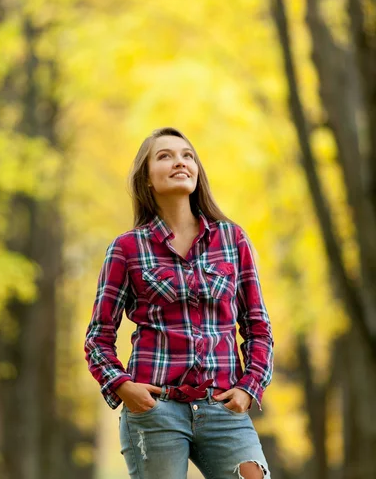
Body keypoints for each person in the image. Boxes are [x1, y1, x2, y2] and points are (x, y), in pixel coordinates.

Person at [84, 127, 274, 479]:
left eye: (187, 155)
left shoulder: (232, 239)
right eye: (165, 156)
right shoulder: (127, 249)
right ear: (147, 179)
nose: (179, 162)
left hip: (222, 407)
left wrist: (250, 388)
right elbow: (98, 336)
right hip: (156, 410)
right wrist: (123, 387)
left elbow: (257, 327)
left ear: (197, 172)